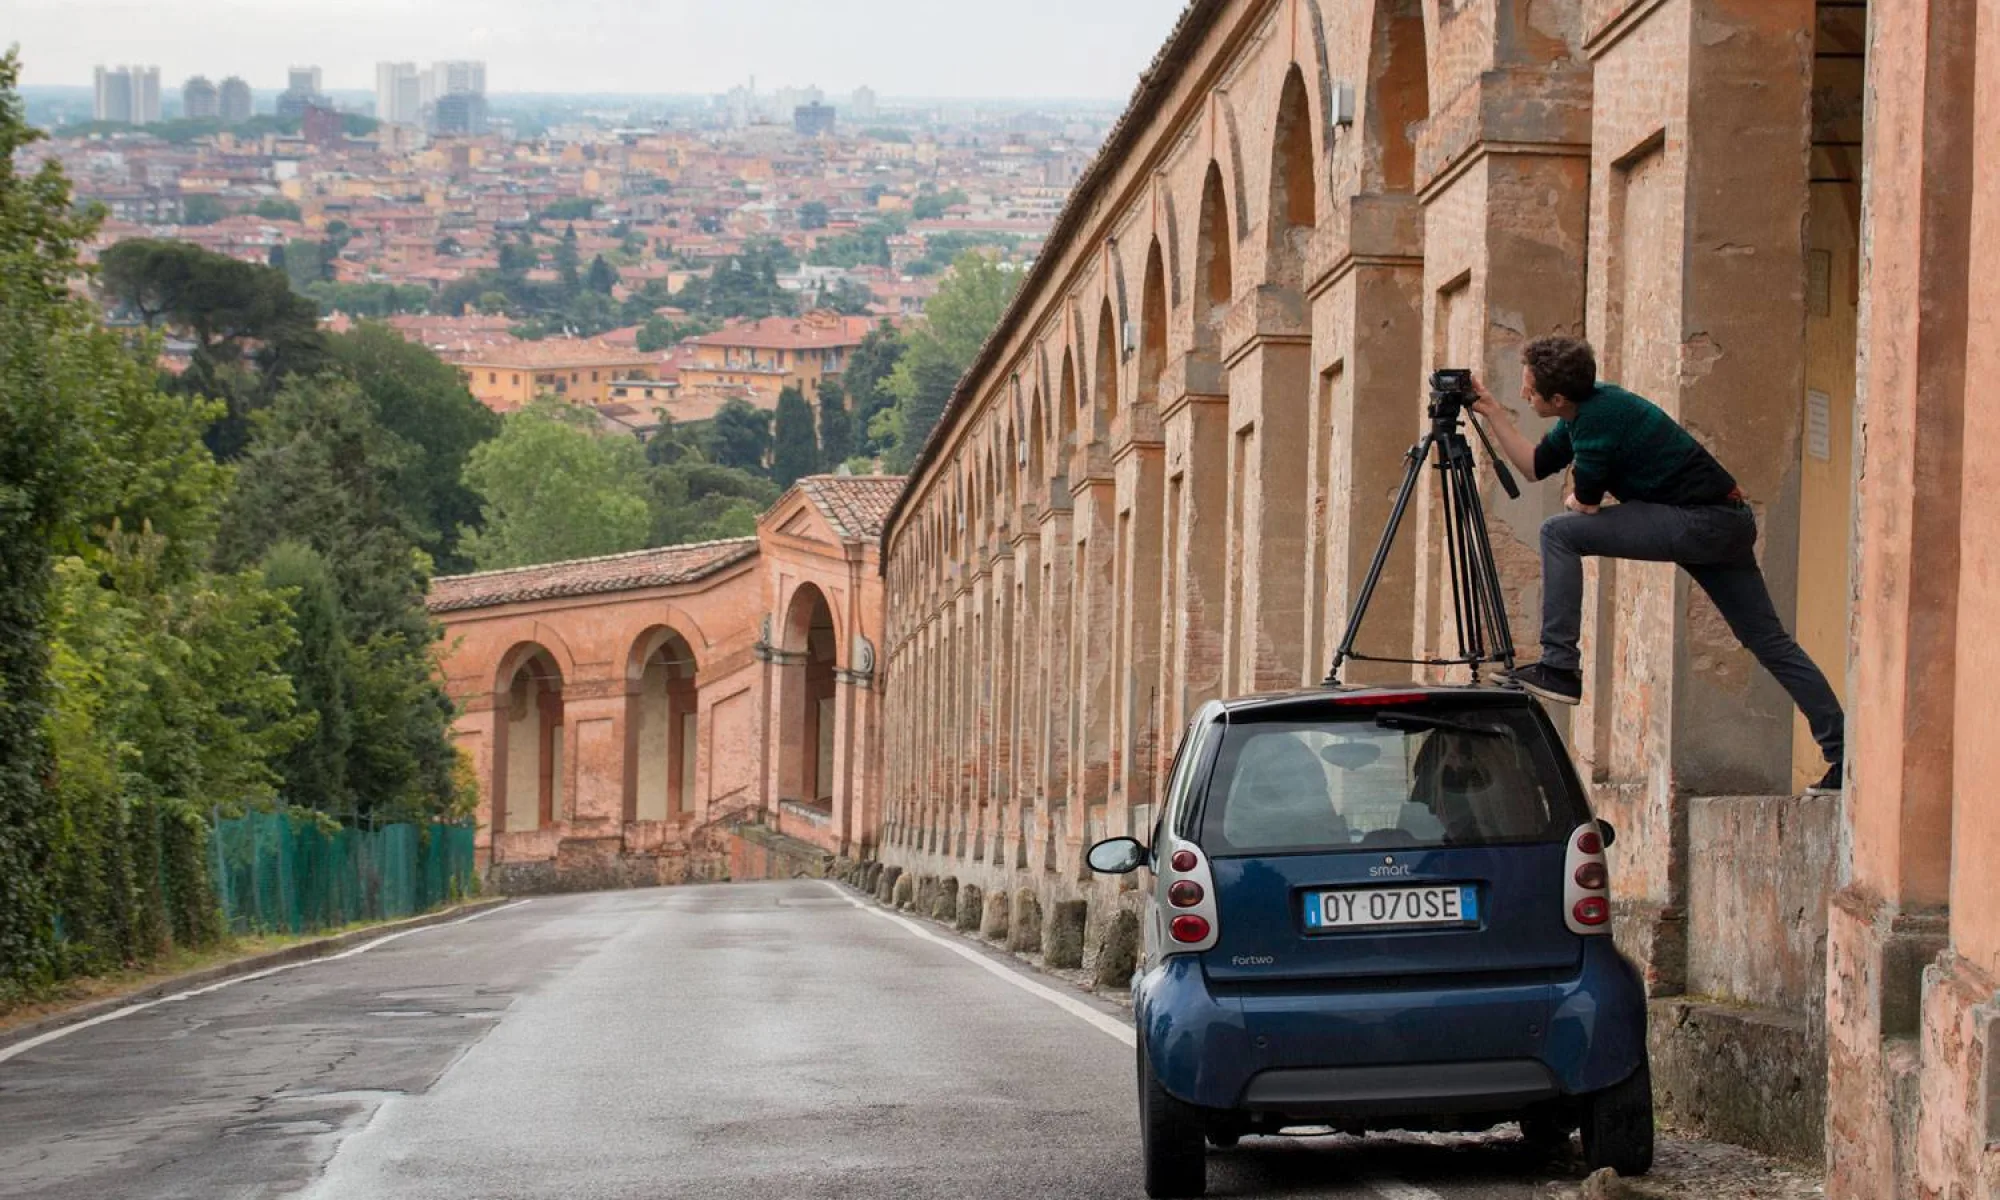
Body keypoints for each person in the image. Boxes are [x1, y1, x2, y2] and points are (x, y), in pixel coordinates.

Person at [1468, 335, 1846, 794]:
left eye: (1529, 390)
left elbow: (1584, 503)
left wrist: (1579, 497)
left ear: (1558, 398)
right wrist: (1489, 409)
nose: (1524, 396)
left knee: (1557, 533)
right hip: (1723, 520)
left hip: (1701, 523)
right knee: (1770, 643)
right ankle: (1842, 754)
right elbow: (1532, 466)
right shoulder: (1582, 413)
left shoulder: (1598, 420)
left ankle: (1559, 665)